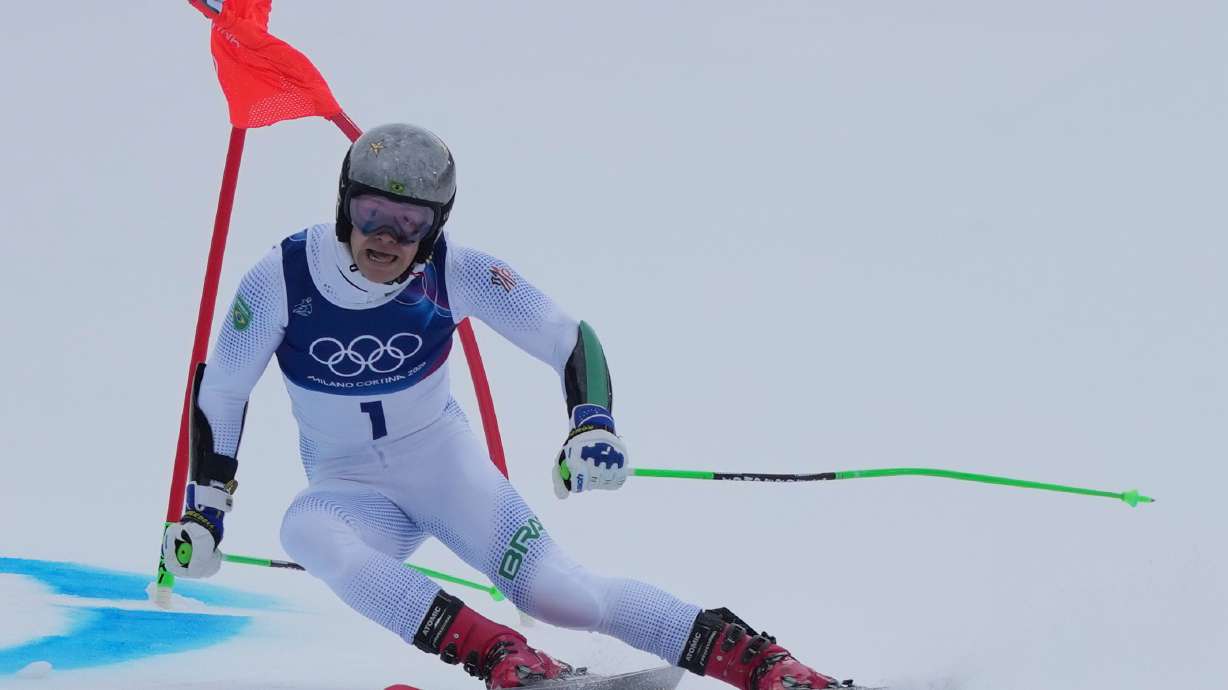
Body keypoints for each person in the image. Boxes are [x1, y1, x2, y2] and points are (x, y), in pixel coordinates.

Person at [161, 123, 840, 690]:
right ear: (345, 205)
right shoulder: (282, 277)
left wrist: (591, 425)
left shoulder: (455, 269)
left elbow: (571, 339)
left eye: (409, 222)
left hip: (446, 471)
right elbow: (223, 389)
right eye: (372, 214)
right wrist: (204, 513)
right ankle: (509, 661)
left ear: (435, 227)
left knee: (564, 597)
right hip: (350, 490)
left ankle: (763, 666)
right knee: (307, 532)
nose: (387, 237)